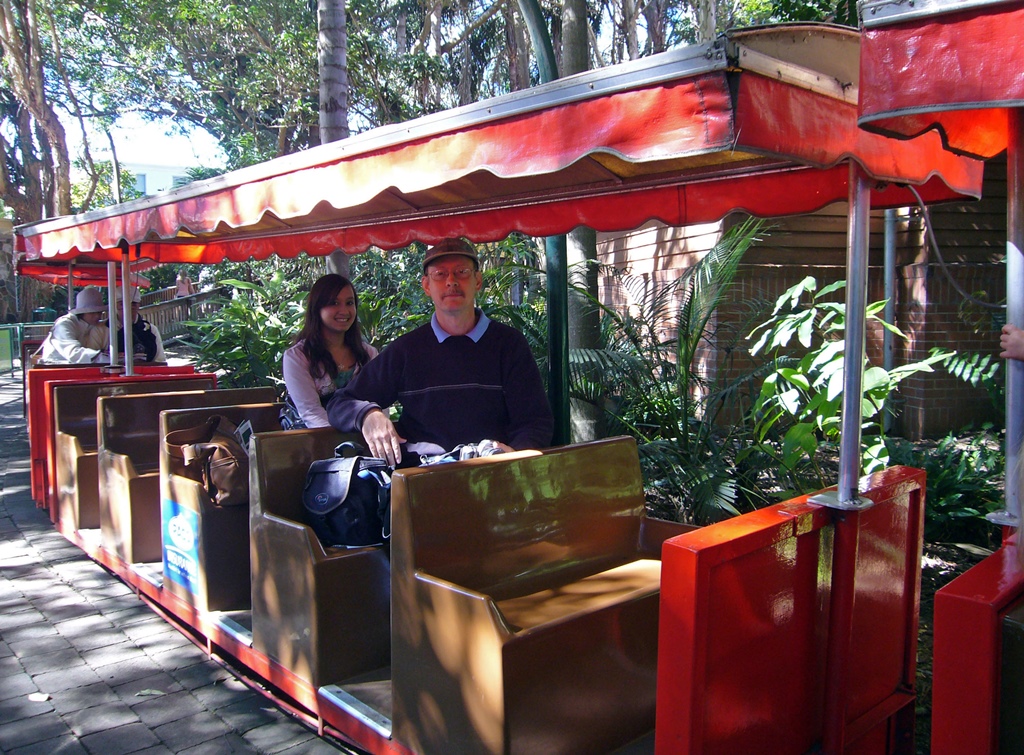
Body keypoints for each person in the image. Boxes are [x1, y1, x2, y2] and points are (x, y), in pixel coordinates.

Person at [327, 238, 554, 466]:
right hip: (422, 480)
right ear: (426, 286)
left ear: (477, 280)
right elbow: (340, 402)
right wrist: (368, 415)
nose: (451, 282)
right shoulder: (407, 350)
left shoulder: (508, 344)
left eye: (462, 272)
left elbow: (534, 421)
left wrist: (515, 456)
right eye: (440, 274)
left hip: (492, 474)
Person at [283, 274, 379, 428]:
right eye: (334, 303)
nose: (344, 310)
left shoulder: (369, 354)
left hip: (365, 437)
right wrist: (345, 442)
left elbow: (380, 402)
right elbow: (311, 412)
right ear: (317, 308)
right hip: (313, 441)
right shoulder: (297, 357)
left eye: (349, 303)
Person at [37, 286, 111, 364]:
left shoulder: (95, 325)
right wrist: (107, 359)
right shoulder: (65, 324)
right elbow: (73, 353)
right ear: (81, 312)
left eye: (99, 312)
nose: (97, 316)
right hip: (54, 366)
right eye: (92, 312)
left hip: (77, 367)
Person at [115, 287, 165, 363]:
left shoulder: (151, 330)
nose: (127, 308)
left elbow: (160, 361)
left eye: (133, 304)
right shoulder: (102, 330)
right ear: (115, 305)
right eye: (122, 304)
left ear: (139, 305)